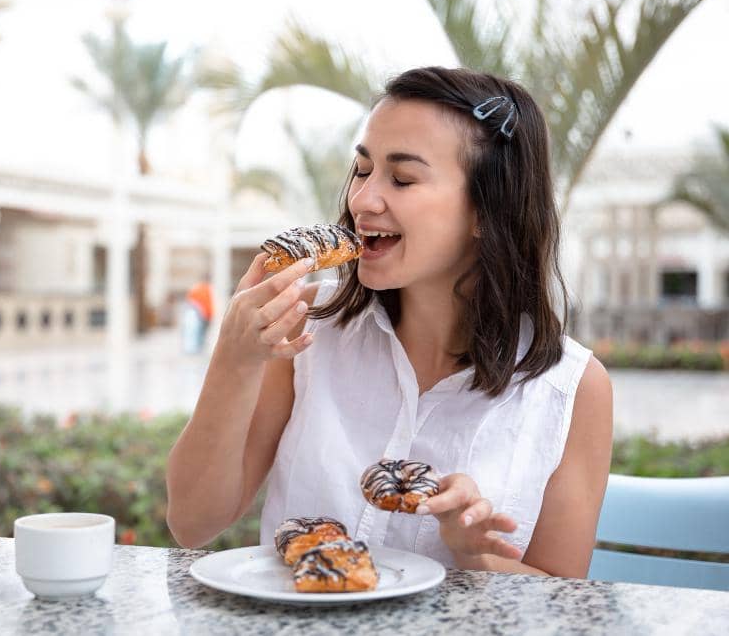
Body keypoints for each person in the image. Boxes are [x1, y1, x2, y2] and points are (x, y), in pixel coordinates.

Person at [166, 67, 613, 577]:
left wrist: (473, 551)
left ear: (486, 211)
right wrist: (234, 357)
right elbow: (193, 522)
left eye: (401, 178)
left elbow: (564, 602)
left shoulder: (571, 389)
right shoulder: (308, 327)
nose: (362, 200)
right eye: (362, 170)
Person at [182, 276, 214, 354]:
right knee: (196, 333)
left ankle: (197, 348)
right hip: (199, 315)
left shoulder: (206, 289)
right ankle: (193, 349)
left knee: (201, 334)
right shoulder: (199, 290)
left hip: (204, 316)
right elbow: (193, 302)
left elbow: (209, 304)